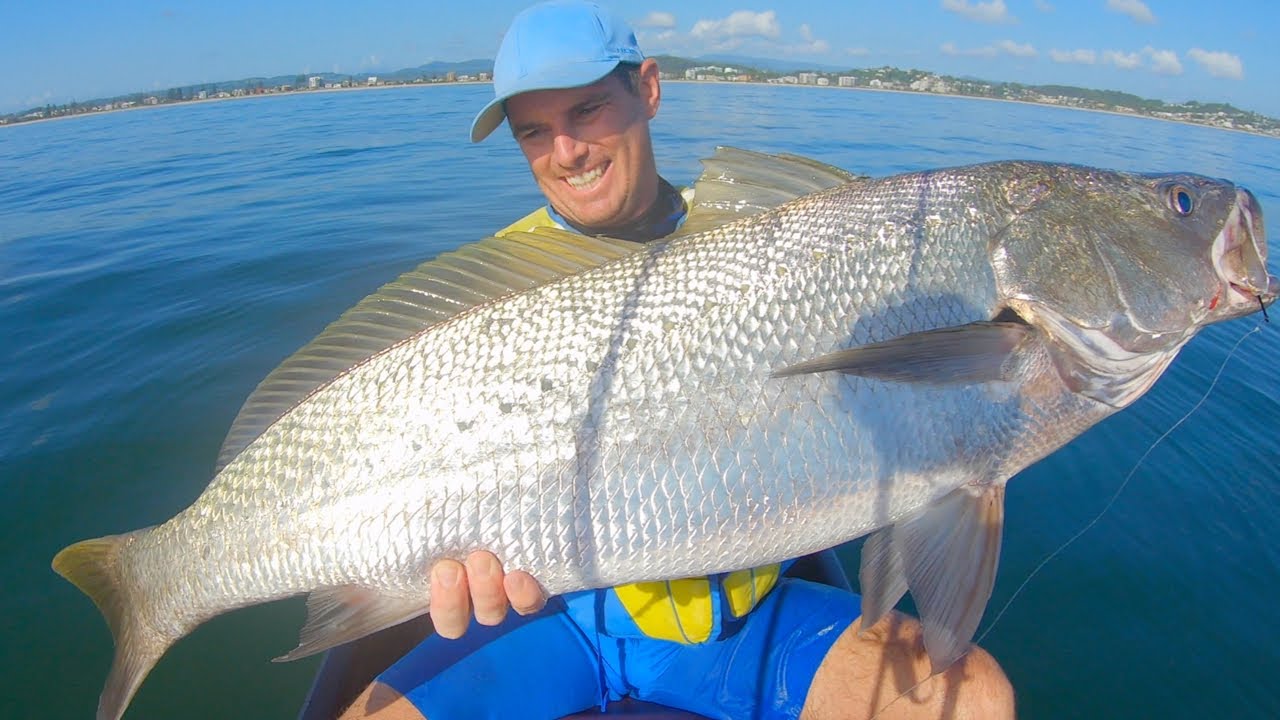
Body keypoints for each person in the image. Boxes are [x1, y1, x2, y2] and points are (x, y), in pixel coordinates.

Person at [340, 2, 1015, 718]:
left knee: (973, 701)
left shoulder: (778, 237)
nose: (566, 151)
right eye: (534, 131)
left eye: (590, 109)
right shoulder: (488, 296)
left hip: (744, 629)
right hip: (550, 619)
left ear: (650, 89)